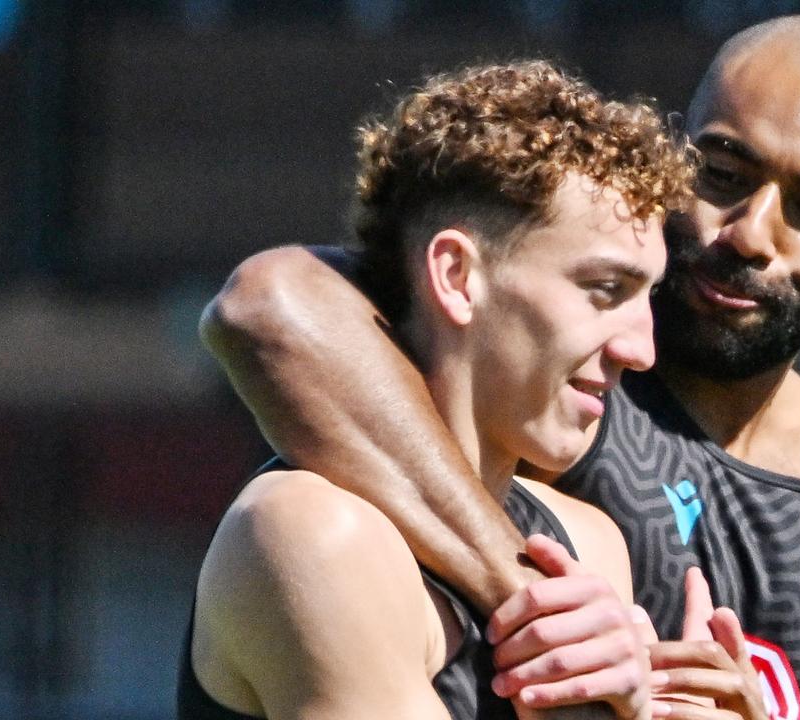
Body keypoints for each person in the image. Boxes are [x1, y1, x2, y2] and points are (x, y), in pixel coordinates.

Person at [200, 15, 800, 720]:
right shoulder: (538, 366)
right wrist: (526, 593)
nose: (751, 234)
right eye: (723, 174)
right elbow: (271, 305)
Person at [178, 59, 765, 720]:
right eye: (606, 290)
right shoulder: (313, 533)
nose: (642, 348)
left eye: (646, 296)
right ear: (457, 276)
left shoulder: (587, 540)